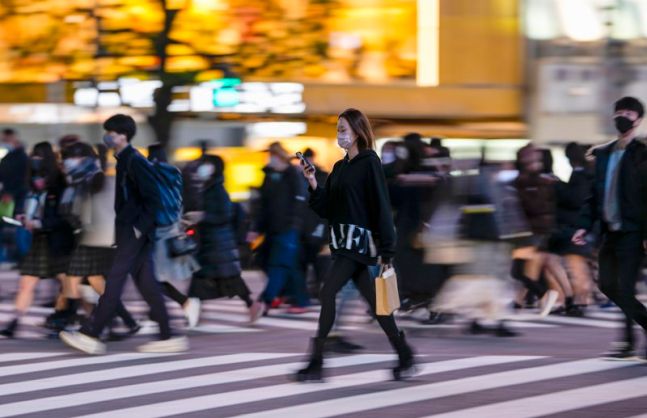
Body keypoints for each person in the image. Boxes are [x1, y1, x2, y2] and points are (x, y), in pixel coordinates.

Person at [296, 108, 416, 382]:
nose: (339, 135)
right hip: (342, 242)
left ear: (358, 132)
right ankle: (405, 354)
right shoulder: (339, 168)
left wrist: (387, 248)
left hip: (358, 244)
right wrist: (312, 181)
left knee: (327, 292)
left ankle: (316, 362)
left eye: (343, 129)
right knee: (376, 305)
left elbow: (380, 205)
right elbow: (327, 208)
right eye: (337, 129)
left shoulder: (369, 162)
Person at [60, 114, 187, 354]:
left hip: (134, 232)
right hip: (133, 232)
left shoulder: (134, 161)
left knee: (115, 282)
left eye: (111, 132)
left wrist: (138, 229)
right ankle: (168, 336)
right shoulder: (124, 160)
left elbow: (153, 199)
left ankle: (92, 334)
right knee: (147, 284)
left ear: (123, 135)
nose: (107, 136)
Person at [573, 96, 647, 360]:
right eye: (619, 112)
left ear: (639, 119)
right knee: (607, 286)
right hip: (609, 232)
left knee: (625, 289)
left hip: (633, 232)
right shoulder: (603, 154)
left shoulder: (642, 153)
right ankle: (630, 341)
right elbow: (594, 195)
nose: (622, 117)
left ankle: (627, 343)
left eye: (629, 113)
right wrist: (583, 226)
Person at [55, 141, 140, 339]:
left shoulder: (88, 180)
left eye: (71, 158)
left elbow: (76, 210)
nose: (68, 162)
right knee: (96, 281)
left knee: (73, 281)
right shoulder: (92, 178)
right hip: (100, 238)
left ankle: (72, 322)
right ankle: (123, 322)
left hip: (93, 238)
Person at [0, 142, 75, 338]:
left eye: (40, 155)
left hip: (57, 240)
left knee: (66, 283)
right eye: (34, 155)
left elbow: (64, 216)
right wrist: (22, 216)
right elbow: (28, 205)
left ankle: (65, 319)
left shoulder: (60, 184)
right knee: (27, 282)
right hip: (39, 240)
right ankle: (15, 321)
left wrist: (41, 222)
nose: (35, 159)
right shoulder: (32, 183)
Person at [188, 155, 260, 321]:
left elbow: (224, 215)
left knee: (227, 279)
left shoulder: (218, 190)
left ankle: (252, 305)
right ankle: (193, 314)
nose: (202, 168)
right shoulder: (208, 188)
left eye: (206, 164)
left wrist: (202, 217)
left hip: (218, 244)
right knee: (206, 280)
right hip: (211, 243)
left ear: (215, 168)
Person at [247, 142, 310, 315]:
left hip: (289, 229)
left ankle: (267, 300)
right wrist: (256, 228)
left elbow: (300, 201)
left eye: (272, 155)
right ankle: (296, 298)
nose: (269, 159)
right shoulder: (269, 175)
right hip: (271, 229)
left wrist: (294, 224)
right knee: (282, 264)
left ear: (279, 156)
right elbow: (262, 205)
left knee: (279, 264)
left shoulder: (293, 175)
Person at [146, 144, 201, 328]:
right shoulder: (174, 175)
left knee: (150, 277)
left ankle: (184, 302)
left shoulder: (152, 176)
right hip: (171, 232)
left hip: (157, 233)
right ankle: (156, 313)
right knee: (151, 277)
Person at [0, 128, 29, 214]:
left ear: (13, 138)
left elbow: (22, 178)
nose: (3, 142)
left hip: (16, 197)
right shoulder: (8, 156)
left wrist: (11, 193)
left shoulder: (22, 158)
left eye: (5, 140)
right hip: (7, 194)